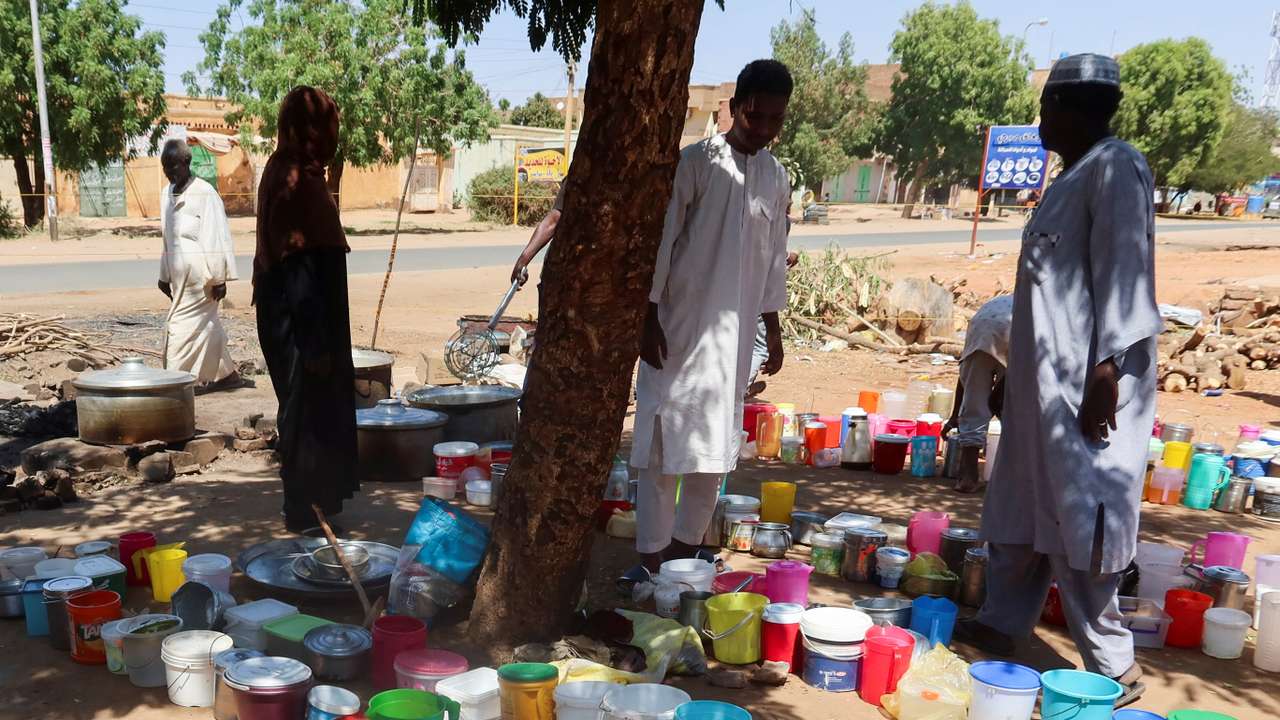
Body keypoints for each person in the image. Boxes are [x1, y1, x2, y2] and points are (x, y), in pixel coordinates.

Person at [955, 54, 1161, 709]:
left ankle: (1114, 667)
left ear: (1076, 110)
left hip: (1086, 388)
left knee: (1082, 525)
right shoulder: (1070, 178)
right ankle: (1002, 623)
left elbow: (1126, 272)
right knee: (1017, 514)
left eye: (1047, 106)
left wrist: (1108, 368)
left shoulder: (1116, 168)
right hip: (1041, 390)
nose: (1041, 118)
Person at [625, 59, 793, 581]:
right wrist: (647, 318)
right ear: (735, 106)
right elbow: (662, 244)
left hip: (735, 339)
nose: (762, 129)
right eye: (754, 116)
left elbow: (772, 260)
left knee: (712, 450)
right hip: (676, 329)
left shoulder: (776, 177)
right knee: (659, 446)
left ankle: (683, 549)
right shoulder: (695, 164)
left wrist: (774, 329)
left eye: (774, 120)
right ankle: (650, 552)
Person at [253, 86, 359, 534]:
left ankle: (313, 504)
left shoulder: (284, 172)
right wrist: (316, 344)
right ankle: (306, 510)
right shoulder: (297, 185)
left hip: (289, 316)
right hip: (301, 321)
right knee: (306, 412)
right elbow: (299, 266)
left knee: (302, 410)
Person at [158, 139, 240, 390]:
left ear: (186, 163)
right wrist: (164, 275)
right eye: (165, 167)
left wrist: (219, 278)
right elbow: (166, 238)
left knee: (179, 328)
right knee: (206, 326)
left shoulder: (205, 194)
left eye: (173, 166)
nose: (169, 172)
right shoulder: (165, 195)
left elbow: (216, 236)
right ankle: (226, 374)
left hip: (202, 282)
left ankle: (176, 380)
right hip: (180, 282)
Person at [941, 294, 1013, 493]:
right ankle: (1009, 480)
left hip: (982, 326)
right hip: (1013, 328)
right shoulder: (1035, 304)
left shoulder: (996, 303)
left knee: (975, 404)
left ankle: (967, 476)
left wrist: (957, 415)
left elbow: (967, 380)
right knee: (1014, 410)